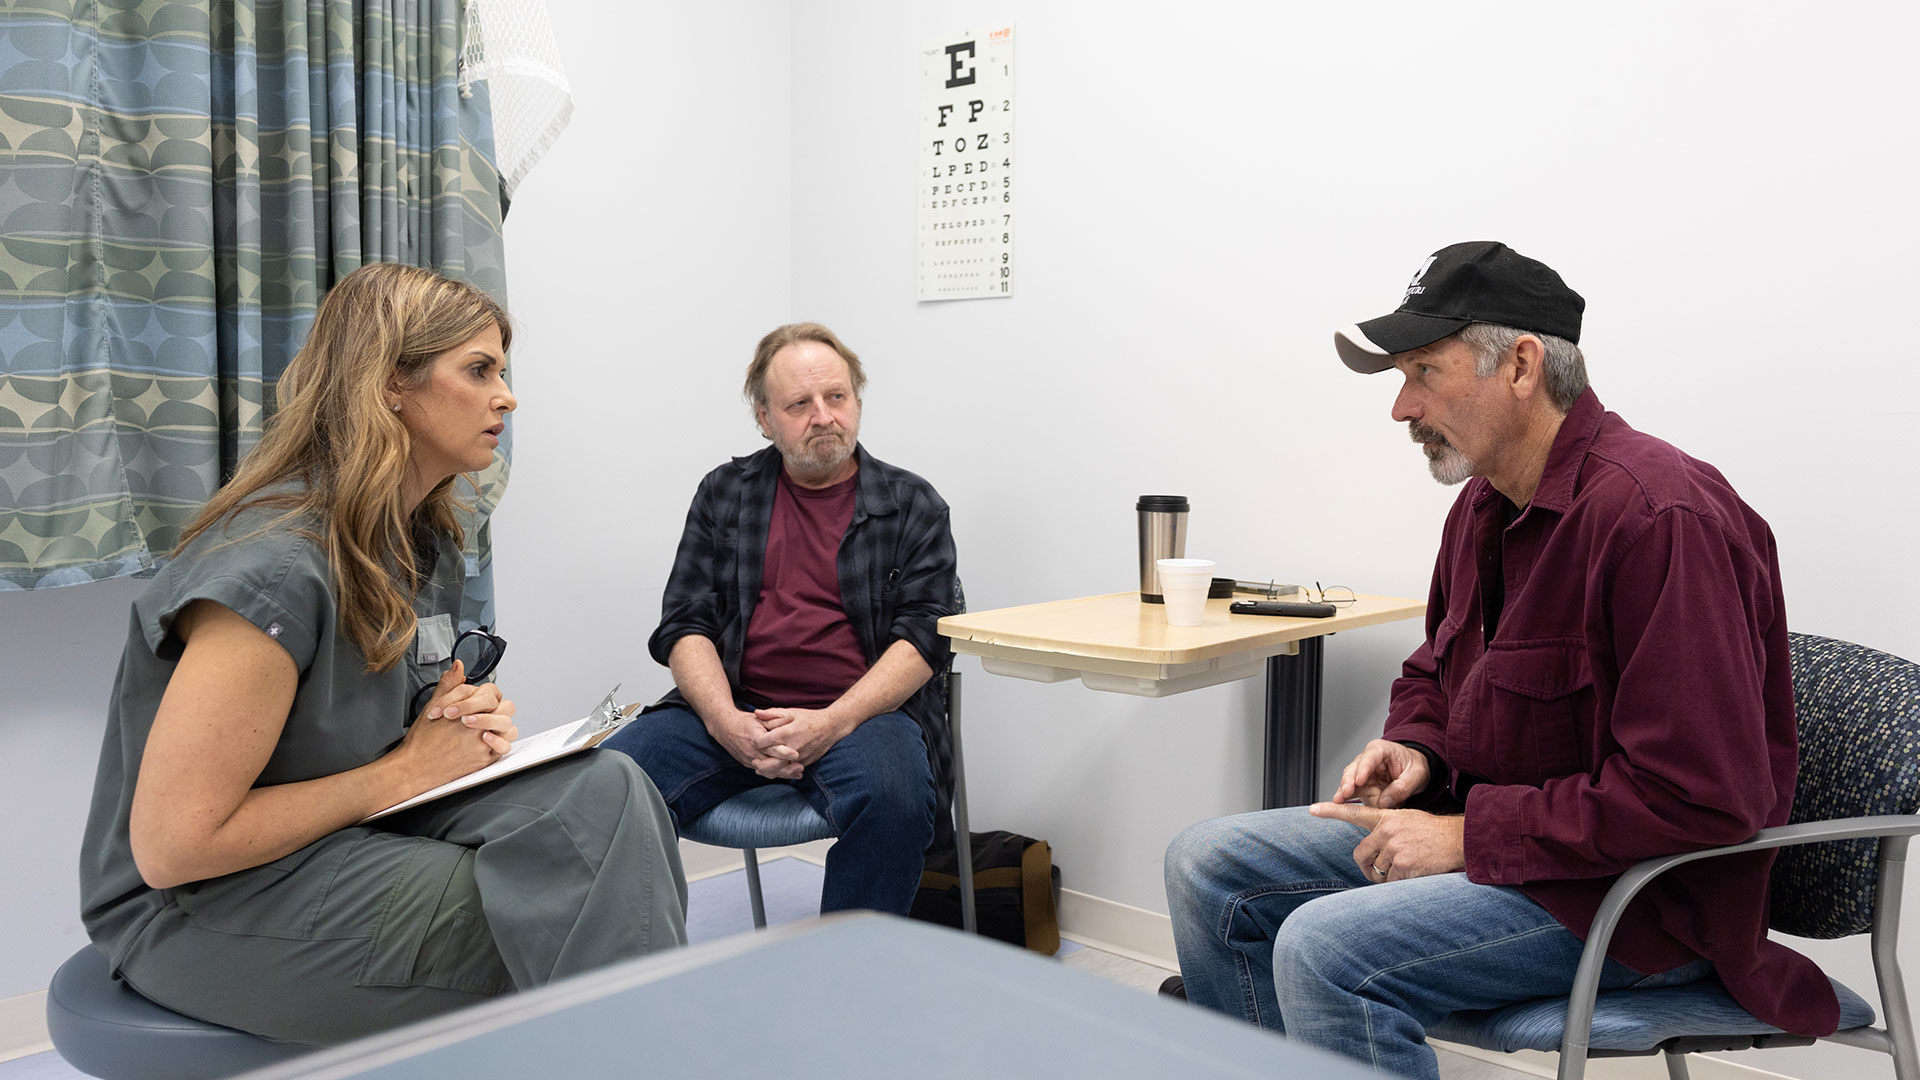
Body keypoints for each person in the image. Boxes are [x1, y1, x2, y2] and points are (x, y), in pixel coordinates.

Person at [1162, 241, 1836, 1078]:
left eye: (1423, 372)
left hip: (1636, 903)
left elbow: (1700, 798)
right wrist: (1418, 748)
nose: (1401, 408)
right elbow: (1435, 674)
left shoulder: (1660, 518)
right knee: (1206, 865)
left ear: (1521, 365)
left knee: (1322, 949)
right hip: (1521, 859)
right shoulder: (1484, 502)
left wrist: (1468, 837)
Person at [79, 263, 688, 1046]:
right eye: (479, 371)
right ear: (390, 383)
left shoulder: (418, 544)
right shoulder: (275, 569)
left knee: (610, 788)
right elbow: (175, 847)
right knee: (573, 907)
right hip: (200, 908)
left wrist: (452, 725)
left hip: (340, 843)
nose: (507, 397)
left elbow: (380, 723)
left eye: (503, 371)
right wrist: (405, 770)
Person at [600, 322, 958, 915]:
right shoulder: (724, 494)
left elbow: (924, 639)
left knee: (893, 800)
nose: (823, 416)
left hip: (863, 714)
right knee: (611, 783)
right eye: (799, 404)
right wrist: (724, 722)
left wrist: (833, 722)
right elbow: (685, 624)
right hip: (735, 704)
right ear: (765, 418)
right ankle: (636, 977)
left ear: (858, 403)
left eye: (836, 397)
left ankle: (845, 981)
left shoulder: (912, 504)